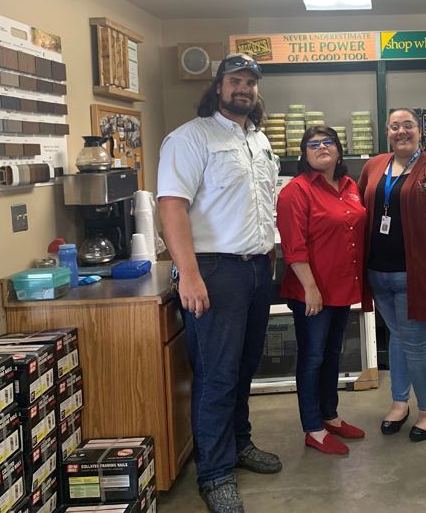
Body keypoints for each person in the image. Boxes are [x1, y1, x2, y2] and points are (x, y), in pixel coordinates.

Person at [158, 53, 281, 513]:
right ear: (218, 86)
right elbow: (172, 206)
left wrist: (269, 252)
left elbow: (261, 203)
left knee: (245, 366)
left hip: (256, 270)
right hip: (214, 271)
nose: (243, 88)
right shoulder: (190, 138)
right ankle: (214, 473)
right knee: (216, 374)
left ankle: (239, 443)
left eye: (250, 81)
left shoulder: (258, 140)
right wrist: (188, 273)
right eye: (235, 80)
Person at [358, 108, 426, 443]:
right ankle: (399, 403)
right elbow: (359, 209)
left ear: (420, 130)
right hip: (378, 273)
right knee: (397, 338)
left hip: (416, 274)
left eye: (408, 125)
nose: (401, 131)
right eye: (394, 126)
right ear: (387, 132)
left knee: (416, 344)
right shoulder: (374, 166)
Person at [276, 126, 368, 455]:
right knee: (312, 358)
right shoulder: (295, 191)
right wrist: (311, 289)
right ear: (304, 154)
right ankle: (313, 428)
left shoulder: (349, 186)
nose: (321, 147)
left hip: (341, 287)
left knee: (332, 355)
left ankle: (330, 415)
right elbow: (294, 247)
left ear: (339, 150)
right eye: (312, 144)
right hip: (311, 292)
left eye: (328, 142)